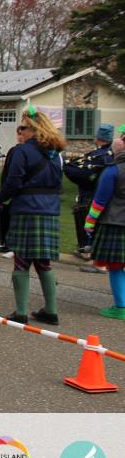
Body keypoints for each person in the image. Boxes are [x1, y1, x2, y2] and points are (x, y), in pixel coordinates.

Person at [0, 107, 65, 325]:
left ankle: (21, 312)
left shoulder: (22, 151)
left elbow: (13, 182)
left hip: (27, 209)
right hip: (50, 211)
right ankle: (51, 311)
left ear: (32, 129)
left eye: (22, 128)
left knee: (21, 261)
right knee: (43, 262)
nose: (19, 132)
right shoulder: (56, 154)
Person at [84, 136, 125, 320]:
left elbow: (99, 201)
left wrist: (89, 222)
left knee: (116, 266)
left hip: (115, 223)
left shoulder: (113, 170)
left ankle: (121, 307)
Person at [65, 123, 114, 260]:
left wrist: (67, 169)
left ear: (98, 137)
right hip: (109, 197)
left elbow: (81, 174)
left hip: (90, 194)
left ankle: (87, 249)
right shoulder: (114, 154)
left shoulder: (96, 156)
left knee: (89, 222)